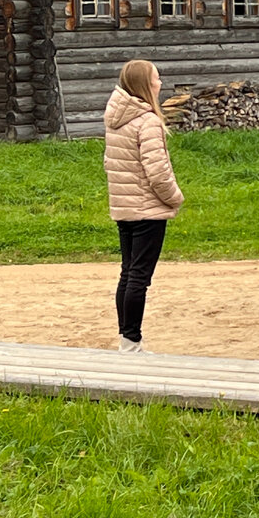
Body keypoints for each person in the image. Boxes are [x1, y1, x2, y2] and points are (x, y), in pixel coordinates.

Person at [103, 59, 184, 354]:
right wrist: (175, 198)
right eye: (156, 79)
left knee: (128, 272)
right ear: (144, 85)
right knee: (139, 276)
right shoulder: (147, 120)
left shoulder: (116, 117)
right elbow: (157, 170)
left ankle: (127, 338)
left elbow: (110, 163)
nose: (160, 84)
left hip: (124, 206)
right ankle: (132, 341)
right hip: (148, 209)